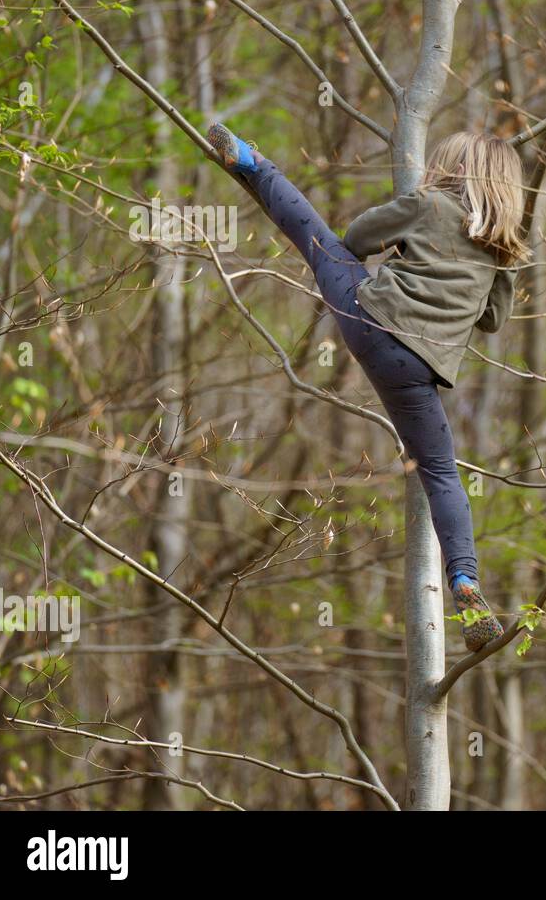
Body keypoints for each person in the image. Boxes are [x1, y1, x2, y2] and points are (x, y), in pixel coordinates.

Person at [207, 123, 527, 651]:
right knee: (442, 473)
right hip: (416, 370)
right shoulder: (499, 252)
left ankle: (251, 161)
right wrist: (501, 259)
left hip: (369, 319)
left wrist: (405, 245)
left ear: (452, 171)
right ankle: (466, 583)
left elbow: (356, 239)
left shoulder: (428, 205)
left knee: (321, 243)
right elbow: (492, 319)